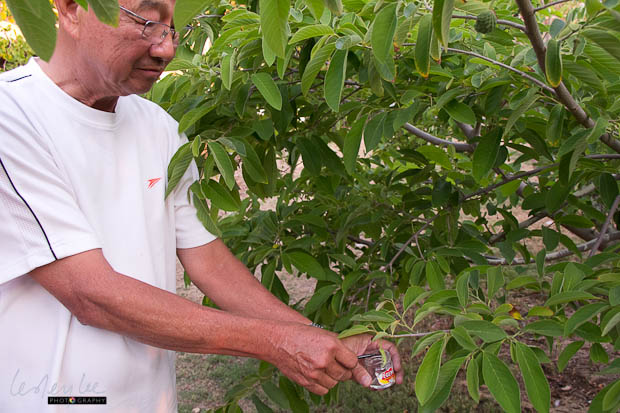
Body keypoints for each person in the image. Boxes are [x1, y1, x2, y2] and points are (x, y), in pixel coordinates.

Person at [0, 0, 403, 411]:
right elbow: (91, 293)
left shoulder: (157, 126)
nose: (166, 49)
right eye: (147, 22)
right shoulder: (10, 118)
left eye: (172, 30)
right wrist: (276, 342)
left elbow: (209, 262)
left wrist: (322, 339)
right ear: (72, 8)